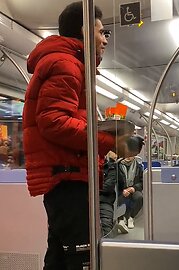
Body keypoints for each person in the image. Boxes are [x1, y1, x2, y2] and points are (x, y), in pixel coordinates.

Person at [22, 2, 132, 269]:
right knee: (81, 259)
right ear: (84, 30)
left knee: (60, 257)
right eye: (101, 32)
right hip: (69, 179)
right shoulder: (66, 65)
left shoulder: (71, 64)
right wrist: (111, 141)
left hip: (67, 178)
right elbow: (53, 121)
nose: (105, 39)